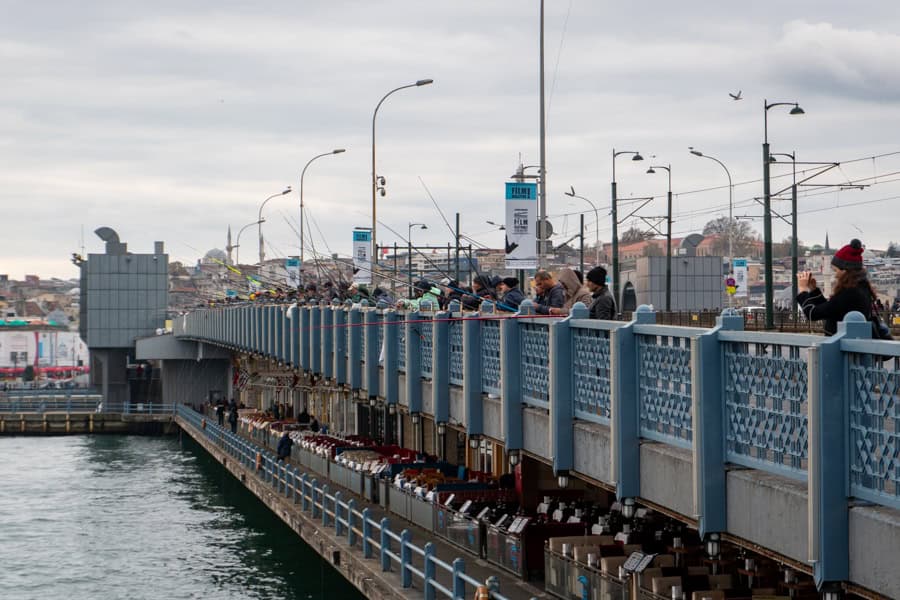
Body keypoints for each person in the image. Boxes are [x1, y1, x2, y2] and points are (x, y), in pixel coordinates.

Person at [797, 238, 873, 335]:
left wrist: (803, 290)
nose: (836, 275)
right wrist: (813, 290)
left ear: (845, 271)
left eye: (836, 271)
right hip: (853, 342)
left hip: (840, 345)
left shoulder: (848, 294)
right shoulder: (862, 287)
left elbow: (812, 314)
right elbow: (831, 309)